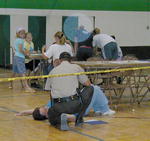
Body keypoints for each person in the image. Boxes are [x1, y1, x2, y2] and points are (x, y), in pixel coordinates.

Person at [16, 85, 115, 118]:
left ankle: (99, 109)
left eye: (43, 108)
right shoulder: (56, 114)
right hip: (81, 109)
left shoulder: (48, 106)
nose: (46, 109)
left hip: (76, 102)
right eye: (45, 112)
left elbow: (34, 110)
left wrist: (23, 112)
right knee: (95, 89)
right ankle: (105, 110)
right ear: (46, 116)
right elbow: (71, 117)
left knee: (92, 89)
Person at [9, 27, 35, 92]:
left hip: (15, 57)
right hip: (20, 58)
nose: (23, 35)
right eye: (21, 33)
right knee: (23, 72)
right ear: (18, 34)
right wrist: (26, 54)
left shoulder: (16, 40)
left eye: (24, 33)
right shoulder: (20, 40)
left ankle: (10, 84)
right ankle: (26, 87)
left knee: (14, 72)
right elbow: (21, 49)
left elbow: (16, 49)